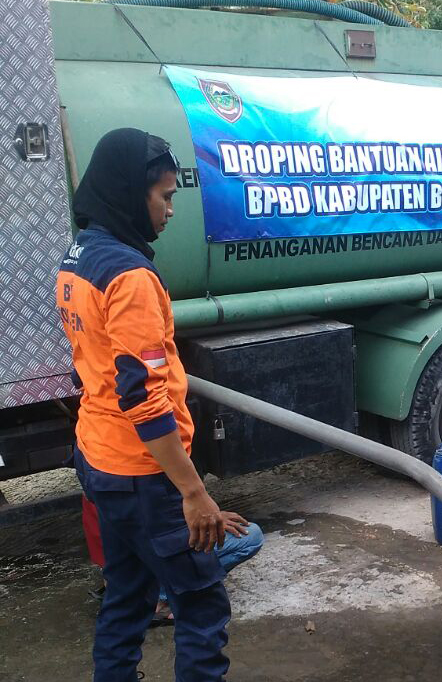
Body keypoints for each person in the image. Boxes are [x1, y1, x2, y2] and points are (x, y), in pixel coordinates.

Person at [57, 128, 231, 680]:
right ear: (131, 193)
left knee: (128, 597)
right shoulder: (131, 276)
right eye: (165, 196)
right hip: (143, 471)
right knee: (201, 605)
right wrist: (194, 494)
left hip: (101, 459)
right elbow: (143, 396)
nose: (171, 210)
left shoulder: (80, 255)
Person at [81, 497, 263, 626]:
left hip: (118, 568)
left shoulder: (96, 459)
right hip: (146, 553)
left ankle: (139, 593)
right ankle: (160, 599)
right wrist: (207, 515)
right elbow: (164, 522)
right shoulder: (148, 463)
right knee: (250, 536)